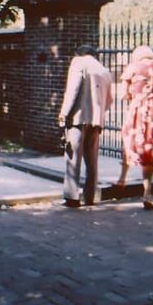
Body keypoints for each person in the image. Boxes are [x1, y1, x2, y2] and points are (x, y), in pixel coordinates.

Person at [116, 45, 153, 210]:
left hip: (138, 111)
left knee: (129, 141)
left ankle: (122, 179)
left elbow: (123, 95)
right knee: (149, 149)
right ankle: (147, 193)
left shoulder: (132, 68)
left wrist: (134, 93)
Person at [57, 45, 114, 207]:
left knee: (73, 157)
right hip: (96, 120)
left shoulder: (78, 63)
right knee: (92, 160)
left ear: (79, 53)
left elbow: (72, 91)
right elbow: (109, 100)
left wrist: (64, 113)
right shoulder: (104, 70)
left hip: (78, 117)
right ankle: (90, 196)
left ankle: (72, 197)